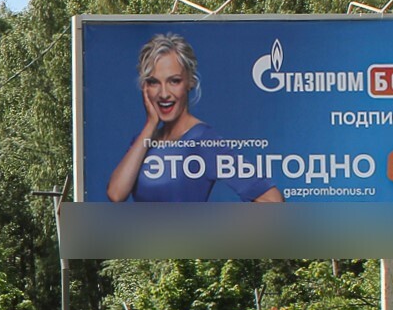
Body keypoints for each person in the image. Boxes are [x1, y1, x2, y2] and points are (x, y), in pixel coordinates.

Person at [104, 32, 283, 203]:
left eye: (174, 81)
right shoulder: (143, 141)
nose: (164, 93)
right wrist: (151, 124)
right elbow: (116, 194)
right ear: (145, 88)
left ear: (190, 82)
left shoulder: (202, 140)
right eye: (154, 82)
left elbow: (272, 200)